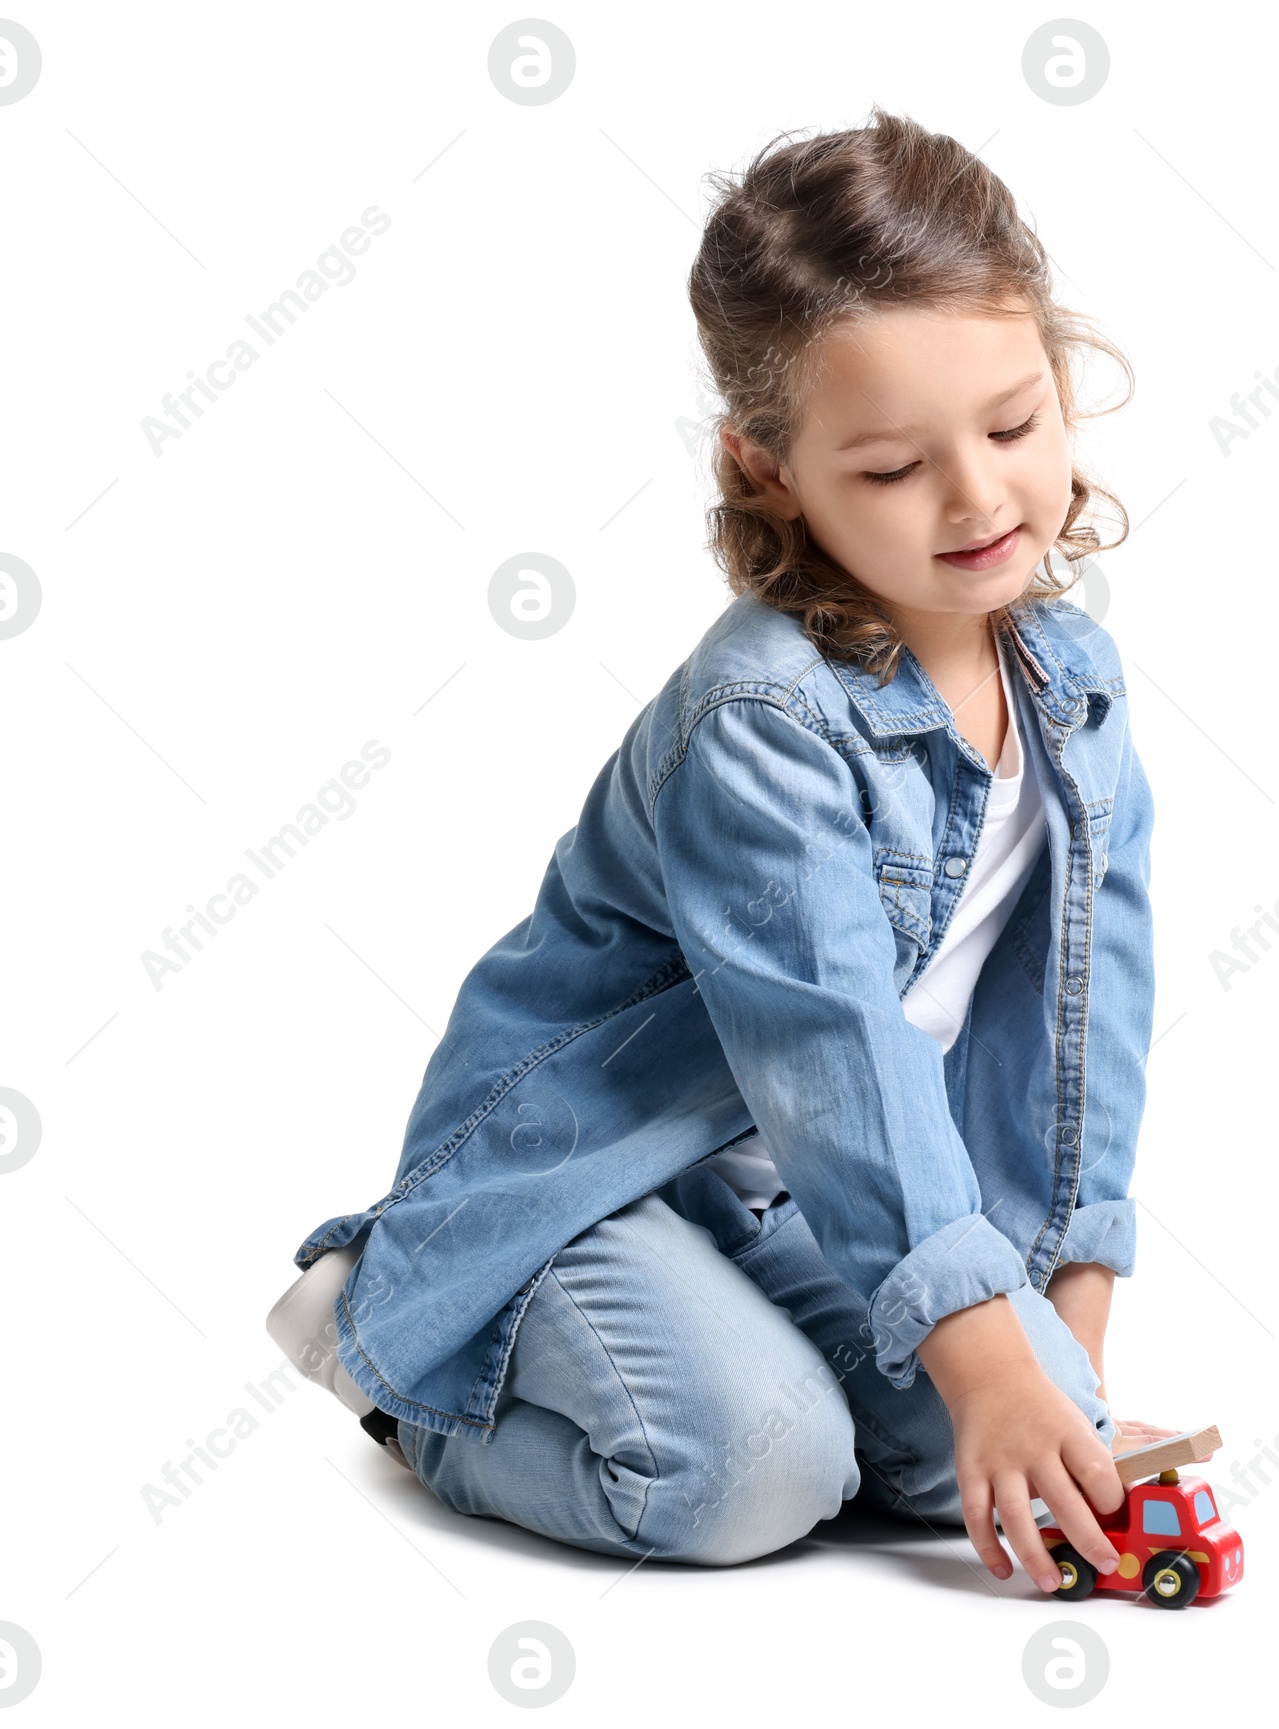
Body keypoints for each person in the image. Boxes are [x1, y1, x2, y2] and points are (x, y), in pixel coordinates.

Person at [269, 106, 1181, 1598]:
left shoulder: (1073, 684)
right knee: (757, 1470)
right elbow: (831, 1046)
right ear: (769, 472)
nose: (975, 497)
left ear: (1061, 386)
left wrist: (1059, 1366)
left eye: (1012, 426)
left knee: (925, 1456)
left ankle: (837, 1350)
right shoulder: (759, 714)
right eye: (891, 467)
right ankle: (414, 1352)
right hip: (600, 1175)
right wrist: (987, 1355)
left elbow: (1095, 1022)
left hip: (798, 1202)